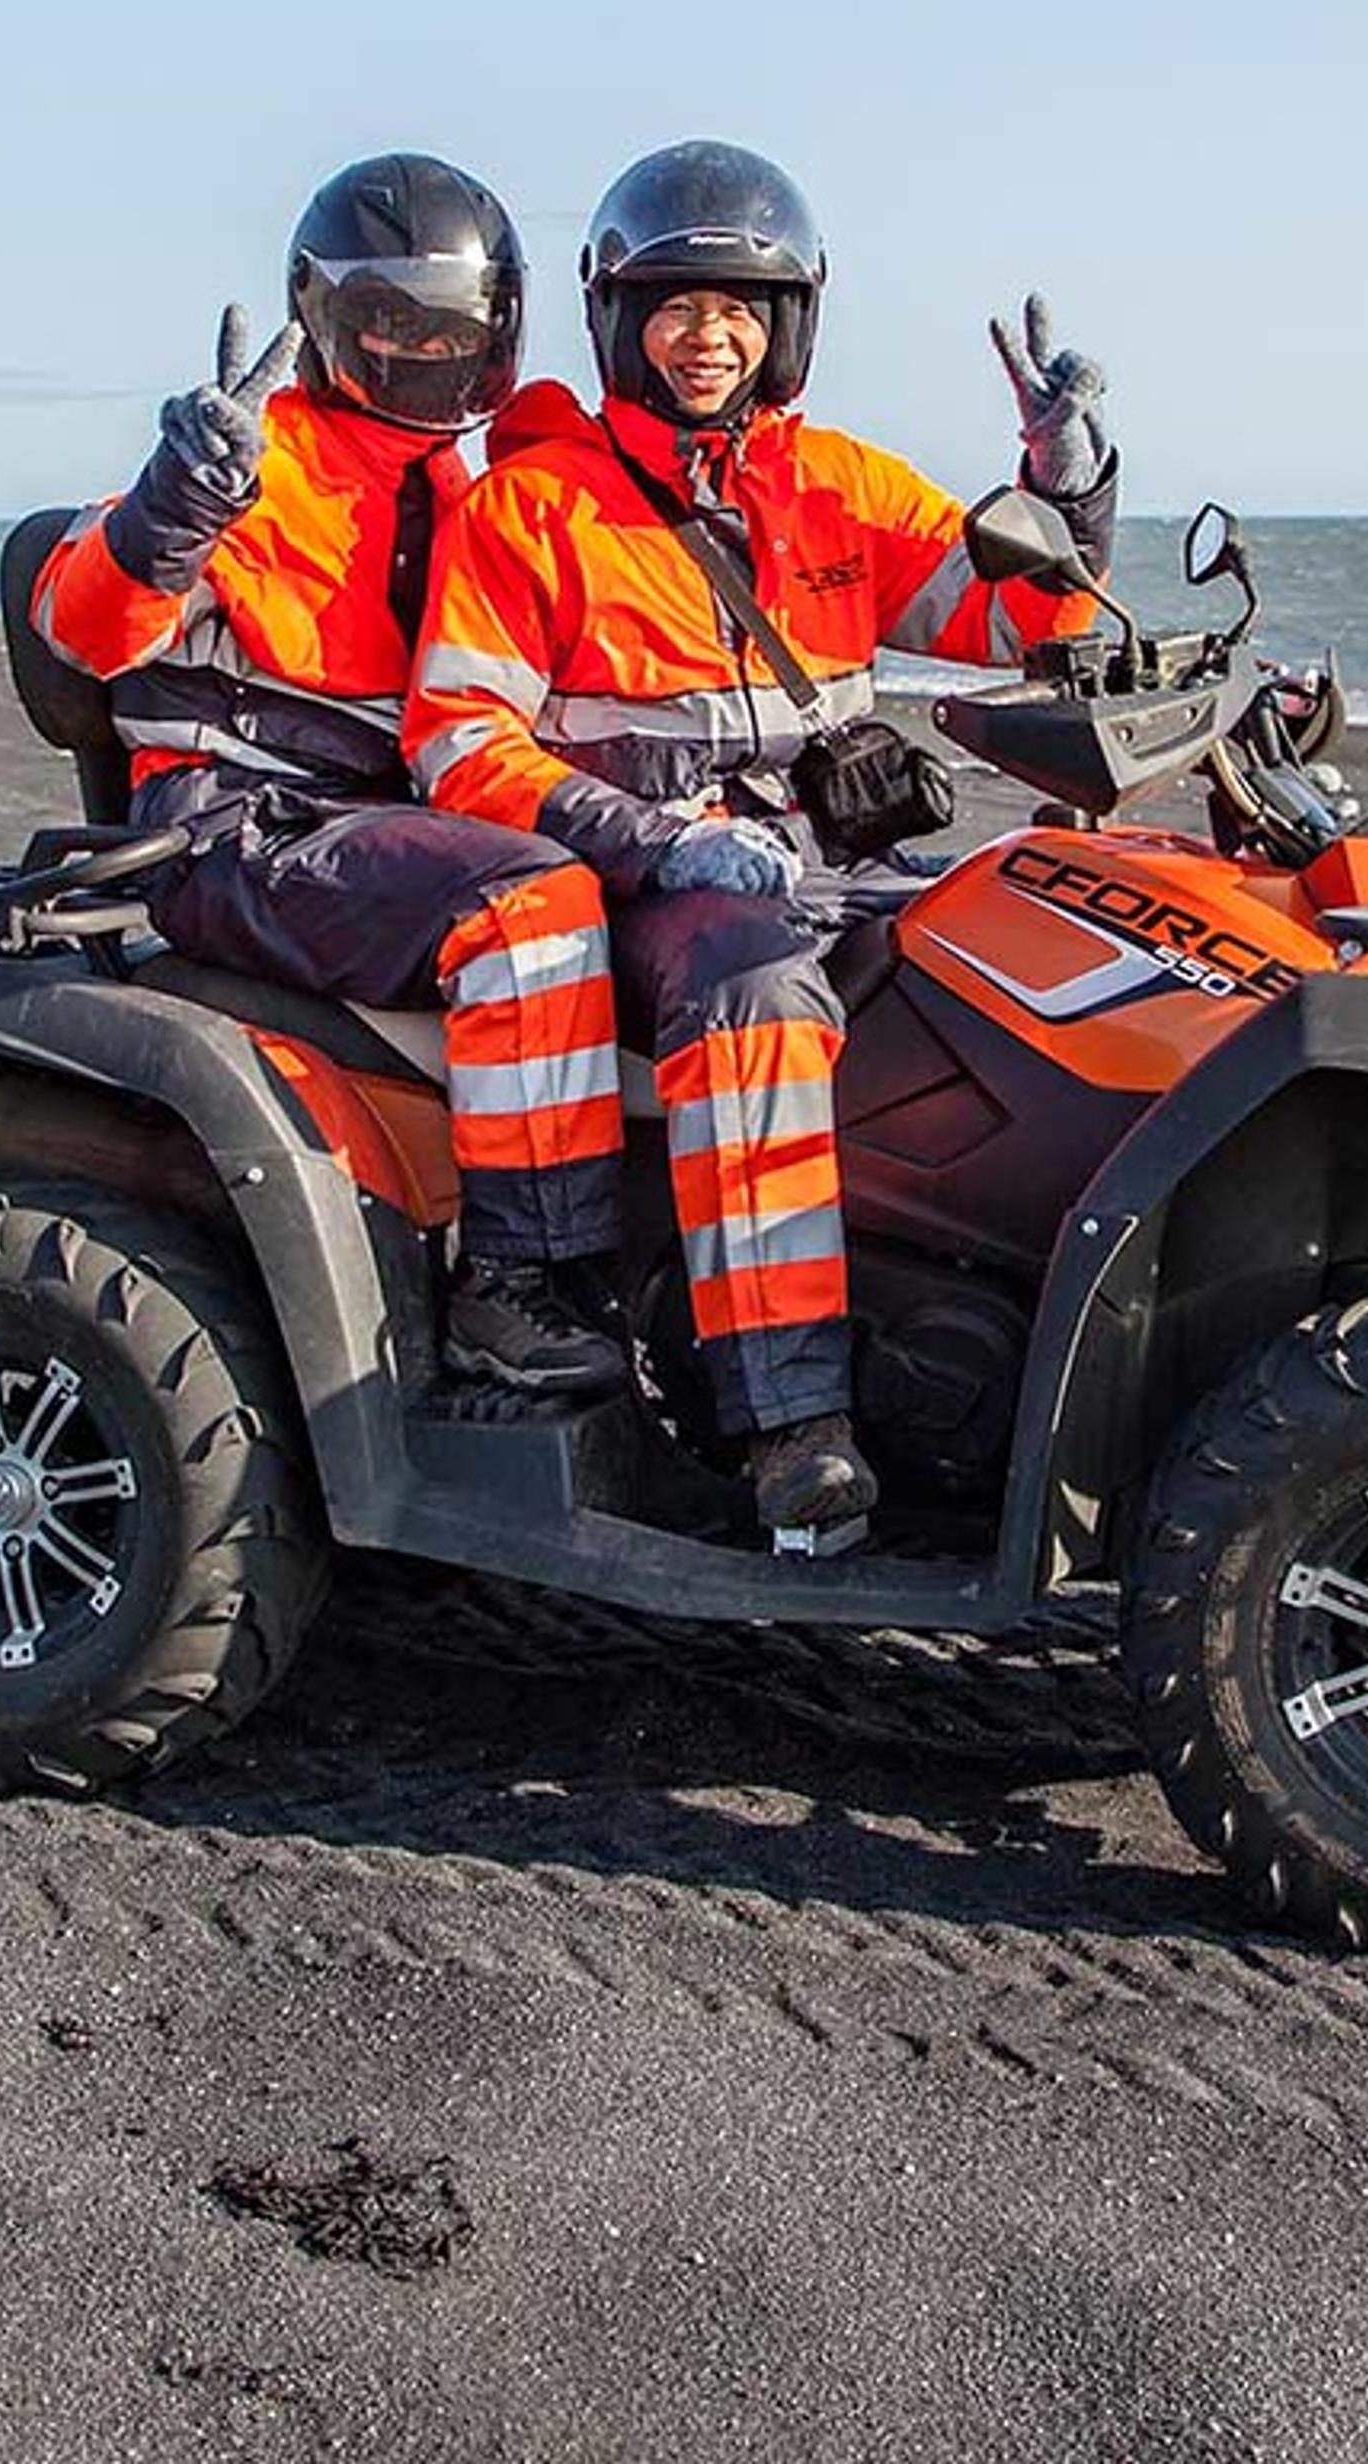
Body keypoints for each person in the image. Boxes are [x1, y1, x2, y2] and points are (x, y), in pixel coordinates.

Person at [404, 139, 1120, 1532]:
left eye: (741, 307)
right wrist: (657, 844)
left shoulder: (841, 487)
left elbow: (1031, 622)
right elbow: (457, 742)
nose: (707, 336)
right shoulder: (534, 508)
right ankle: (791, 1422)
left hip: (818, 862)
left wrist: (1065, 480)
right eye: (676, 305)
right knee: (752, 996)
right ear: (621, 319)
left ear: (789, 324)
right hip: (643, 881)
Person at [27, 152, 632, 1396]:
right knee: (535, 911)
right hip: (237, 827)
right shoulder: (254, 467)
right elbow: (83, 626)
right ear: (327, 319)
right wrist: (174, 505)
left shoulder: (479, 478)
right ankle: (510, 1289)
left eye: (452, 326)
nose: (422, 351)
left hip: (386, 831)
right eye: (388, 322)